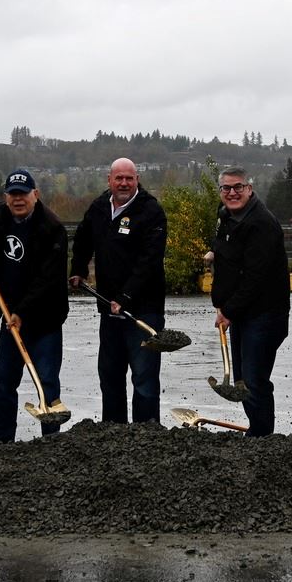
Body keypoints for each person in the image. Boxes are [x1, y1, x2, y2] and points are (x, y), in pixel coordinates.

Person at [69, 157, 168, 424]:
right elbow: (82, 238)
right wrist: (77, 268)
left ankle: (146, 435)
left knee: (144, 378)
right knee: (110, 376)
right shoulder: (100, 207)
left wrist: (126, 297)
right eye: (119, 178)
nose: (124, 183)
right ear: (109, 180)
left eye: (129, 178)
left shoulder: (151, 211)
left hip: (143, 312)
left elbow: (150, 261)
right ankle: (113, 433)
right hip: (109, 309)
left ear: (137, 180)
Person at [0, 169, 69, 443]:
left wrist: (22, 312)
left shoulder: (52, 228)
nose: (18, 200)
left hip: (45, 319)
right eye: (13, 195)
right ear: (6, 197)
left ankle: (50, 441)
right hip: (10, 317)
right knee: (4, 382)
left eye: (24, 194)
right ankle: (2, 441)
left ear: (35, 195)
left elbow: (47, 281)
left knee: (47, 383)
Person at [210, 166, 289, 436]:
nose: (232, 193)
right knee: (243, 379)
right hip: (241, 312)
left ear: (249, 189)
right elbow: (229, 259)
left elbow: (255, 277)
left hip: (265, 314)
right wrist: (222, 302)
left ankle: (263, 437)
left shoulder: (262, 223)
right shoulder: (225, 216)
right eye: (226, 188)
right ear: (220, 191)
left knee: (255, 380)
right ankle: (257, 430)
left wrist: (229, 310)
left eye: (238, 187)